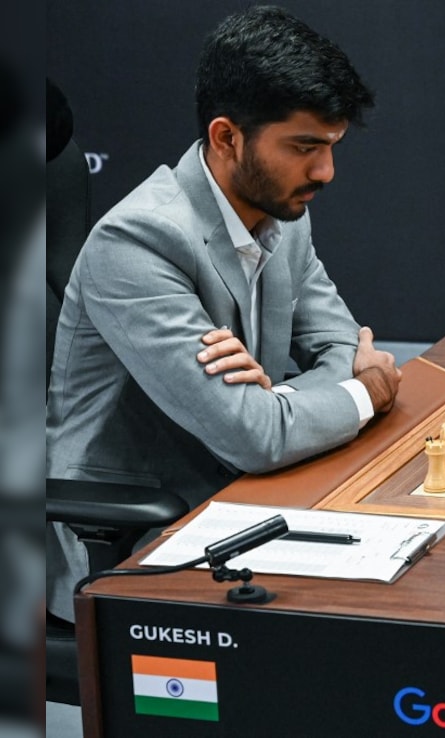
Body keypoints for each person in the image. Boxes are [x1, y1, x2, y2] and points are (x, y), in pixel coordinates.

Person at [46, 6, 402, 621]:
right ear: (226, 138)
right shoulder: (137, 242)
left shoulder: (283, 211)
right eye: (304, 147)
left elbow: (341, 347)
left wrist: (276, 404)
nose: (325, 172)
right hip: (133, 542)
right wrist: (366, 392)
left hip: (249, 497)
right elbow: (258, 435)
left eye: (331, 146)